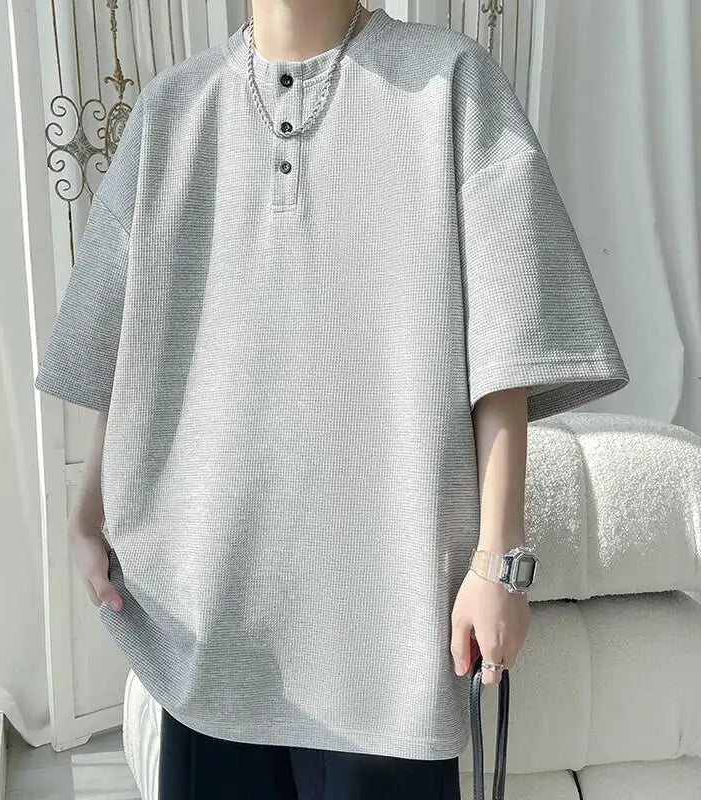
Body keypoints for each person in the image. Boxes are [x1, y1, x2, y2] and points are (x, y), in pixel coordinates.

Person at [34, 1, 630, 797]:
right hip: (213, 618)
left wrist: (501, 564)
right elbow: (130, 347)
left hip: (387, 625)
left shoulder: (452, 84)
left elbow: (507, 347)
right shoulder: (173, 108)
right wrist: (87, 515)